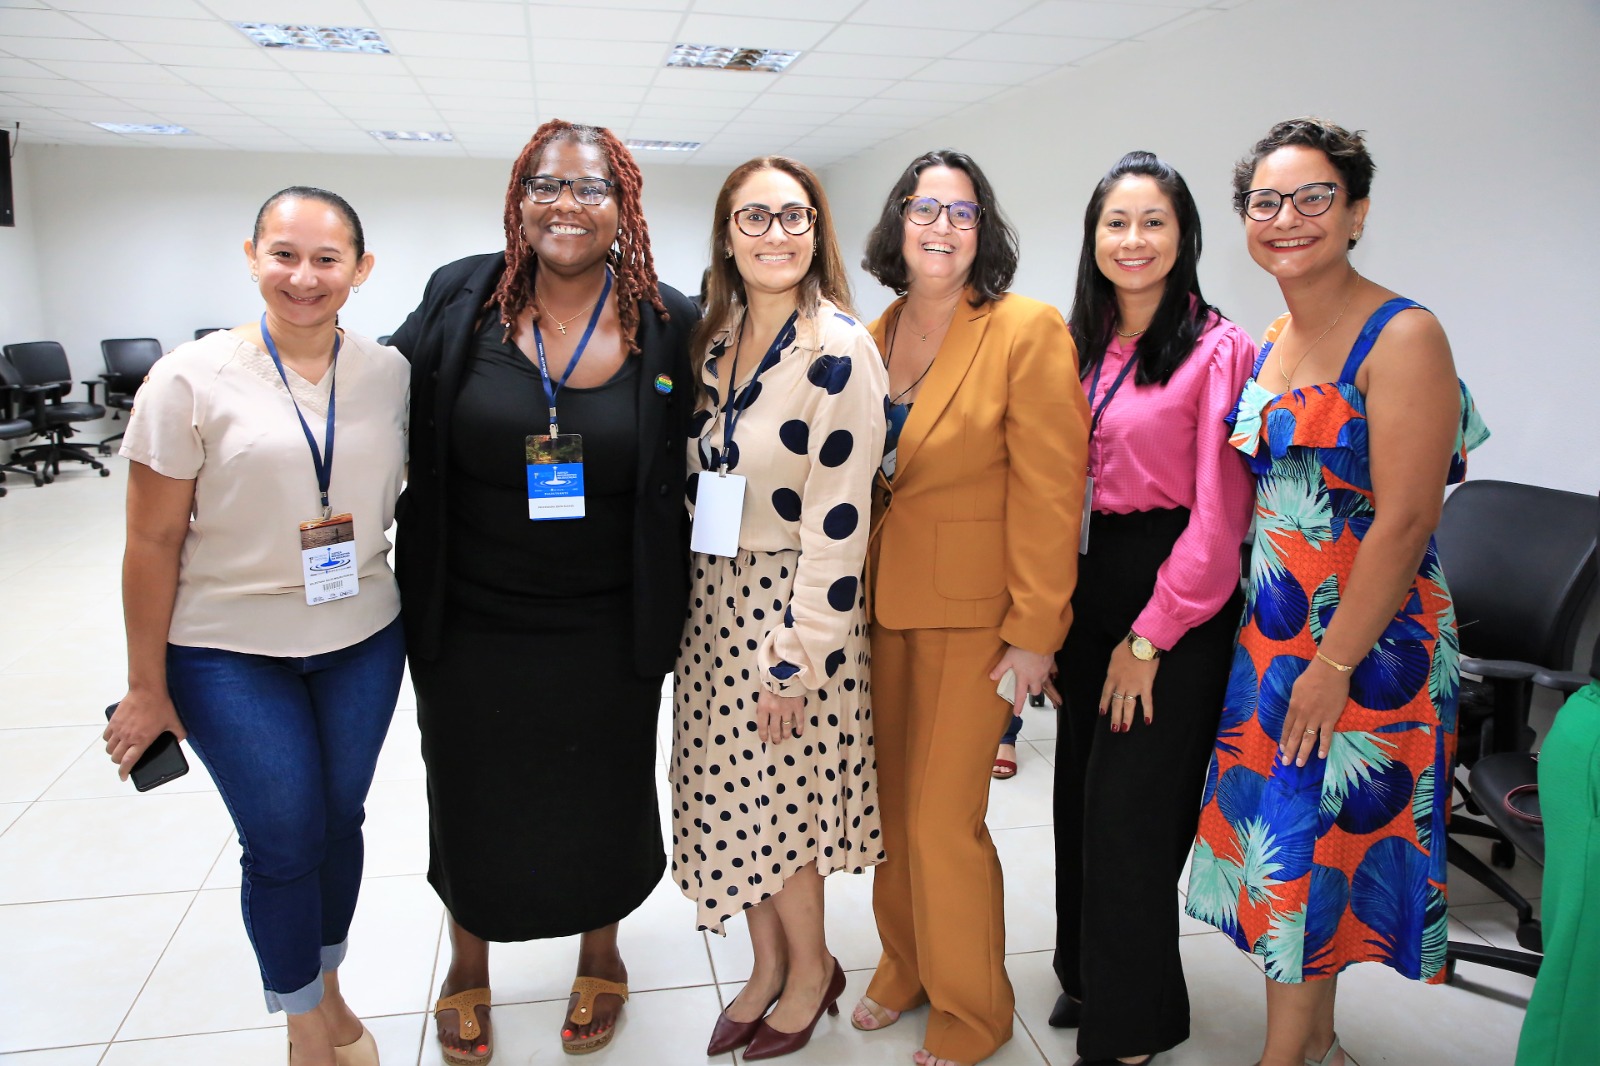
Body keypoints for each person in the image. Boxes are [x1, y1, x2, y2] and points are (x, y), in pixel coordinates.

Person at [388, 120, 697, 1062]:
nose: (569, 205)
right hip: (470, 614)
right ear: (518, 199)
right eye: (547, 186)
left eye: (592, 188)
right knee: (469, 790)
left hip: (609, 618)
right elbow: (370, 388)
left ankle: (601, 954)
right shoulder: (461, 295)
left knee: (604, 790)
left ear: (623, 205)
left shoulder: (669, 319)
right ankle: (467, 963)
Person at [1185, 118, 1489, 1066]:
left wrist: (1334, 663)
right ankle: (1312, 1041)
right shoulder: (1278, 336)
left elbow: (1407, 519)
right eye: (1265, 201)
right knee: (1291, 851)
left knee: (1310, 850)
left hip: (1365, 644)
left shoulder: (1406, 335)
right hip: (1275, 640)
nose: (1287, 217)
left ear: (1356, 213)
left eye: (1314, 197)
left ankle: (1285, 1057)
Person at [105, 186, 406, 1066]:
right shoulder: (189, 378)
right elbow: (151, 541)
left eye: (326, 259)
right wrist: (145, 686)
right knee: (282, 838)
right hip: (226, 649)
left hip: (361, 638)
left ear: (361, 269)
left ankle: (328, 986)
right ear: (252, 257)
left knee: (338, 822)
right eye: (284, 255)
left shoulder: (389, 373)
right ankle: (304, 1026)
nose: (303, 277)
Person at [853, 148, 1090, 1066]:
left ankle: (974, 1006)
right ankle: (905, 963)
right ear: (898, 223)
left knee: (944, 820)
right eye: (924, 209)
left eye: (961, 212)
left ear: (982, 230)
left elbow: (1052, 491)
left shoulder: (1025, 330)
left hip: (979, 617)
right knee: (891, 810)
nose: (941, 226)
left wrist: (1036, 633)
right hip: (882, 606)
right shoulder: (872, 334)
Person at [674, 155, 887, 1061]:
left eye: (794, 216)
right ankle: (766, 968)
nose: (776, 234)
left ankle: (813, 971)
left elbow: (841, 522)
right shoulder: (714, 341)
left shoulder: (839, 349)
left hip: (792, 606)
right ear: (728, 236)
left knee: (784, 807)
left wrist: (798, 655)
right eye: (754, 218)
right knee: (730, 800)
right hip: (711, 604)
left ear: (816, 231)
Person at [1046, 151, 1256, 1066]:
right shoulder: (1078, 343)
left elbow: (1220, 516)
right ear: (1093, 238)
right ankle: (1090, 978)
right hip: (1086, 586)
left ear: (1185, 236)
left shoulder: (1218, 348)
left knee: (1131, 819)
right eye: (1116, 223)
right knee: (1078, 802)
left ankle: (1132, 1029)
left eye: (1153, 222)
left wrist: (1148, 638)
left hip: (1172, 599)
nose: (1133, 240)